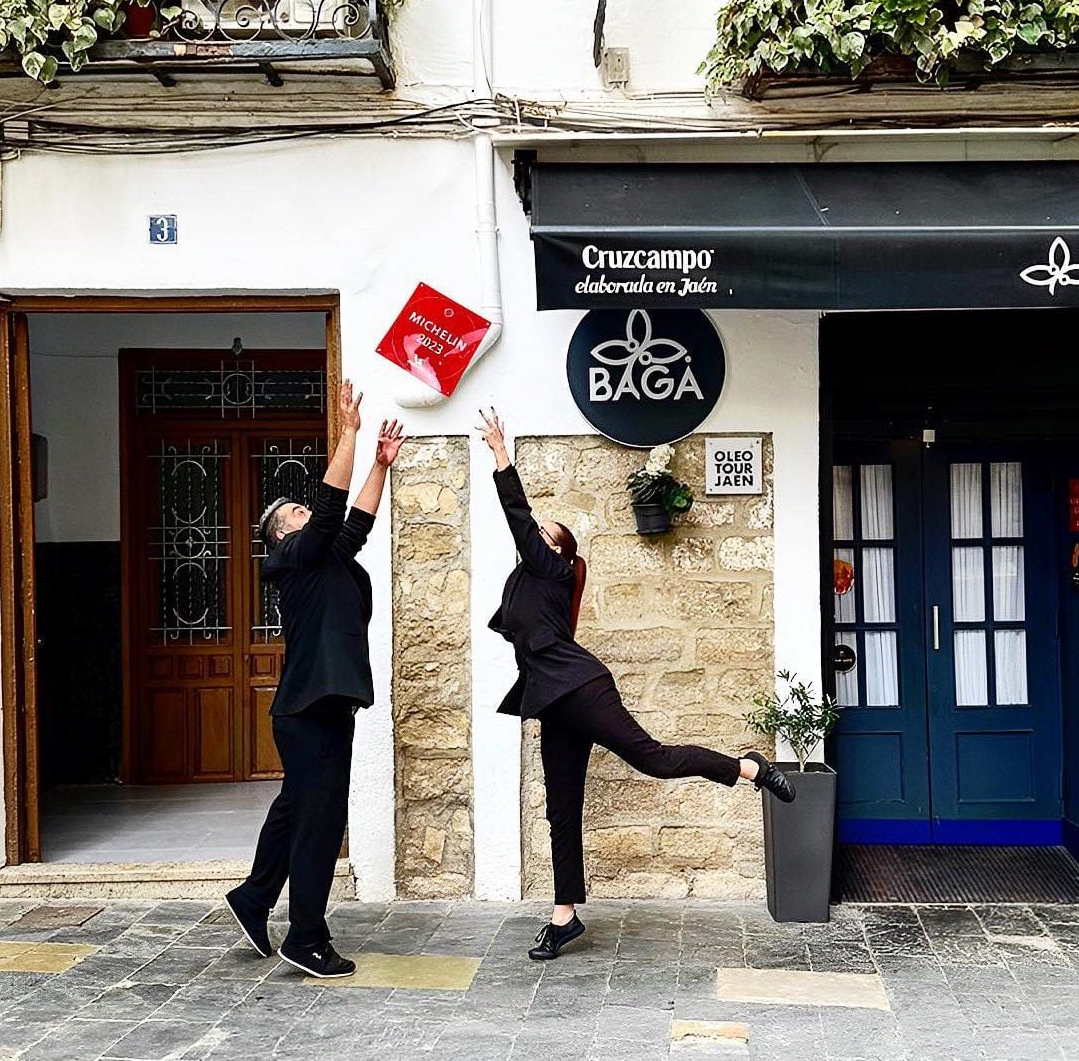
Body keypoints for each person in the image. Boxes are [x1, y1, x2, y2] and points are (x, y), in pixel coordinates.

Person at [478, 409, 795, 962]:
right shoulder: (525, 579)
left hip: (582, 689)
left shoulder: (553, 571)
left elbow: (518, 516)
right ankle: (564, 916)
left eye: (546, 535)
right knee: (561, 807)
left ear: (557, 552)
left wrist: (502, 455)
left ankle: (749, 769)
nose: (536, 535)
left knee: (651, 757)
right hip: (553, 702)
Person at [225, 379, 405, 978]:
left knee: (297, 807)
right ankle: (306, 937)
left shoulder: (326, 557)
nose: (308, 511)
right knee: (320, 822)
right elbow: (332, 512)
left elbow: (354, 523)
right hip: (310, 708)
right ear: (283, 534)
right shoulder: (291, 559)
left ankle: (253, 898)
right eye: (297, 512)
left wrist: (380, 466)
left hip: (321, 707)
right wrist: (350, 434)